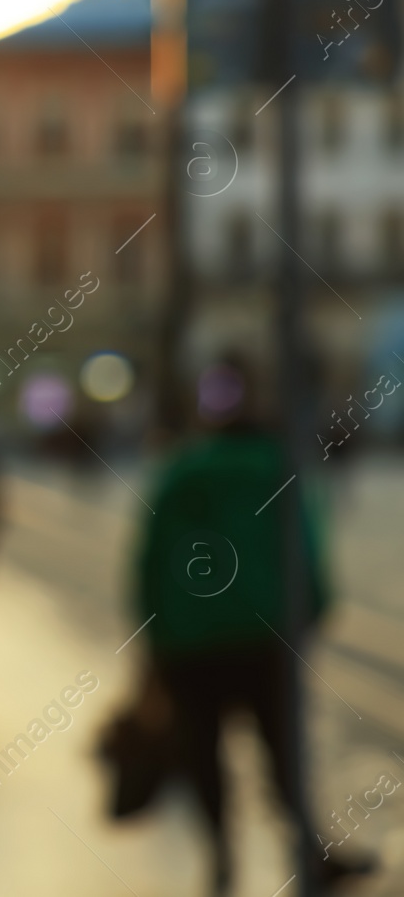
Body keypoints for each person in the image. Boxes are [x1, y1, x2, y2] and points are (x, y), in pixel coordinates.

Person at [135, 359, 372, 894]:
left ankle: (220, 856)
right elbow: (305, 553)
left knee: (204, 752)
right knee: (283, 751)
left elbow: (149, 561)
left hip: (189, 641)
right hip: (265, 635)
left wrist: (152, 635)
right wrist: (312, 611)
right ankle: (309, 852)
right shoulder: (275, 468)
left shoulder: (180, 471)